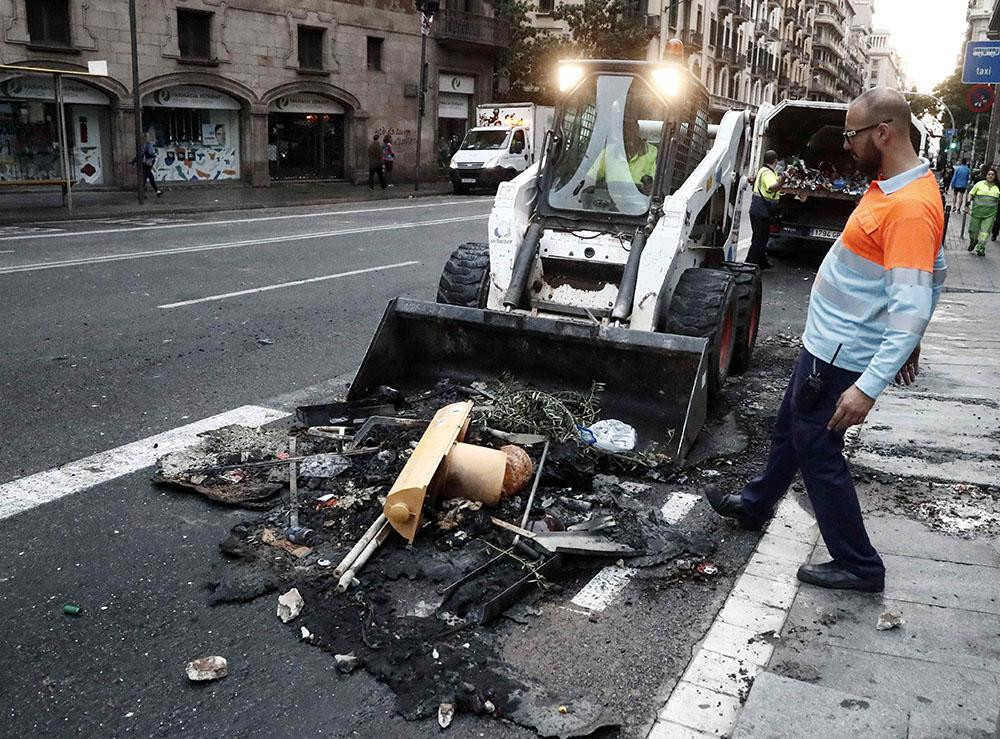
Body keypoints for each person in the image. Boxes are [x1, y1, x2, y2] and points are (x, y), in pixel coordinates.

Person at [706, 87, 946, 593]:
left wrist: (868, 387)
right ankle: (755, 504)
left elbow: (913, 302)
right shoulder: (897, 185)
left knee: (817, 449)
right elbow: (933, 271)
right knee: (790, 426)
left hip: (843, 353)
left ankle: (859, 564)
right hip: (825, 342)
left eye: (851, 135)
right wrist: (914, 334)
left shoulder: (909, 207)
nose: (845, 145)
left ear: (883, 133)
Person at [588, 117, 658, 194]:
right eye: (622, 128)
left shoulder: (653, 152)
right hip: (609, 201)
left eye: (629, 128)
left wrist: (650, 187)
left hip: (641, 202)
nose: (626, 132)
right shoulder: (608, 152)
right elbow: (591, 178)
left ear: (637, 129)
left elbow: (656, 184)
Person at [747, 150, 786, 269]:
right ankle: (750, 265)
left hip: (757, 210)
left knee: (760, 238)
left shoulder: (763, 170)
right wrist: (782, 180)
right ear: (775, 160)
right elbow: (772, 188)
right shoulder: (768, 173)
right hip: (762, 211)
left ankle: (762, 263)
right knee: (760, 240)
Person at [965, 166, 999, 255]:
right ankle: (973, 241)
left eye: (992, 175)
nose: (990, 176)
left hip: (989, 215)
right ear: (986, 175)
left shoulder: (998, 187)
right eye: (989, 174)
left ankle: (981, 248)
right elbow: (971, 193)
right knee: (973, 231)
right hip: (976, 213)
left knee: (985, 232)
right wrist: (968, 203)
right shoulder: (979, 184)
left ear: (995, 176)